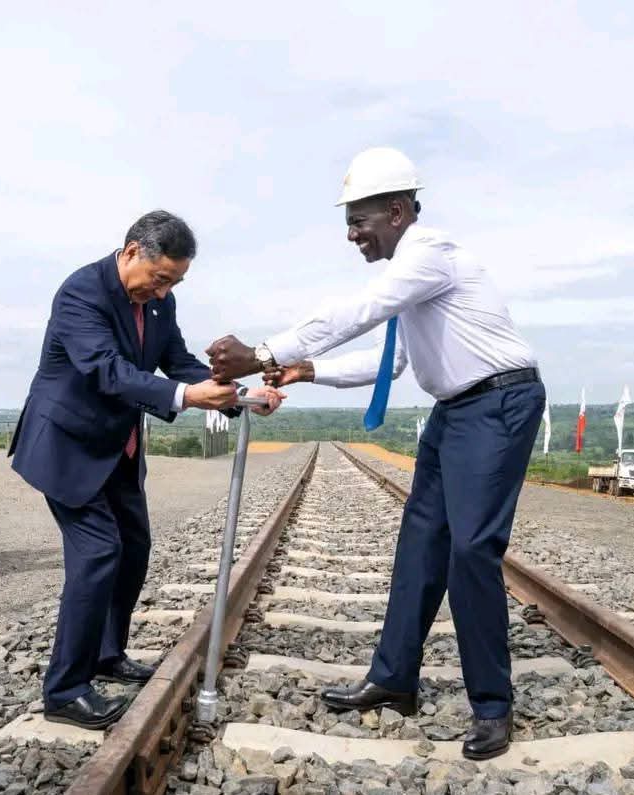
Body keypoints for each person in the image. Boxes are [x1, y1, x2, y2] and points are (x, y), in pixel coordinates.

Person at [206, 148, 545, 761]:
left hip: (498, 406)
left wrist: (263, 351)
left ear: (396, 210)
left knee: (471, 550)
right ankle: (394, 678)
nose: (352, 235)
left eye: (358, 222)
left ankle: (492, 705)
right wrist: (304, 370)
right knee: (421, 543)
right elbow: (391, 363)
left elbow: (357, 312)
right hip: (456, 412)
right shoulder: (412, 283)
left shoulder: (429, 255)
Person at [8, 210, 285, 731]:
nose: (163, 293)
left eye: (175, 283)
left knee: (133, 549)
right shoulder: (80, 293)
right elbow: (106, 370)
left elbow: (177, 361)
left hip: (119, 449)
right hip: (68, 446)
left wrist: (241, 397)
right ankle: (65, 689)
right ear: (132, 250)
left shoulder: (161, 302)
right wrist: (186, 397)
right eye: (160, 279)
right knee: (98, 552)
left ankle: (106, 654)